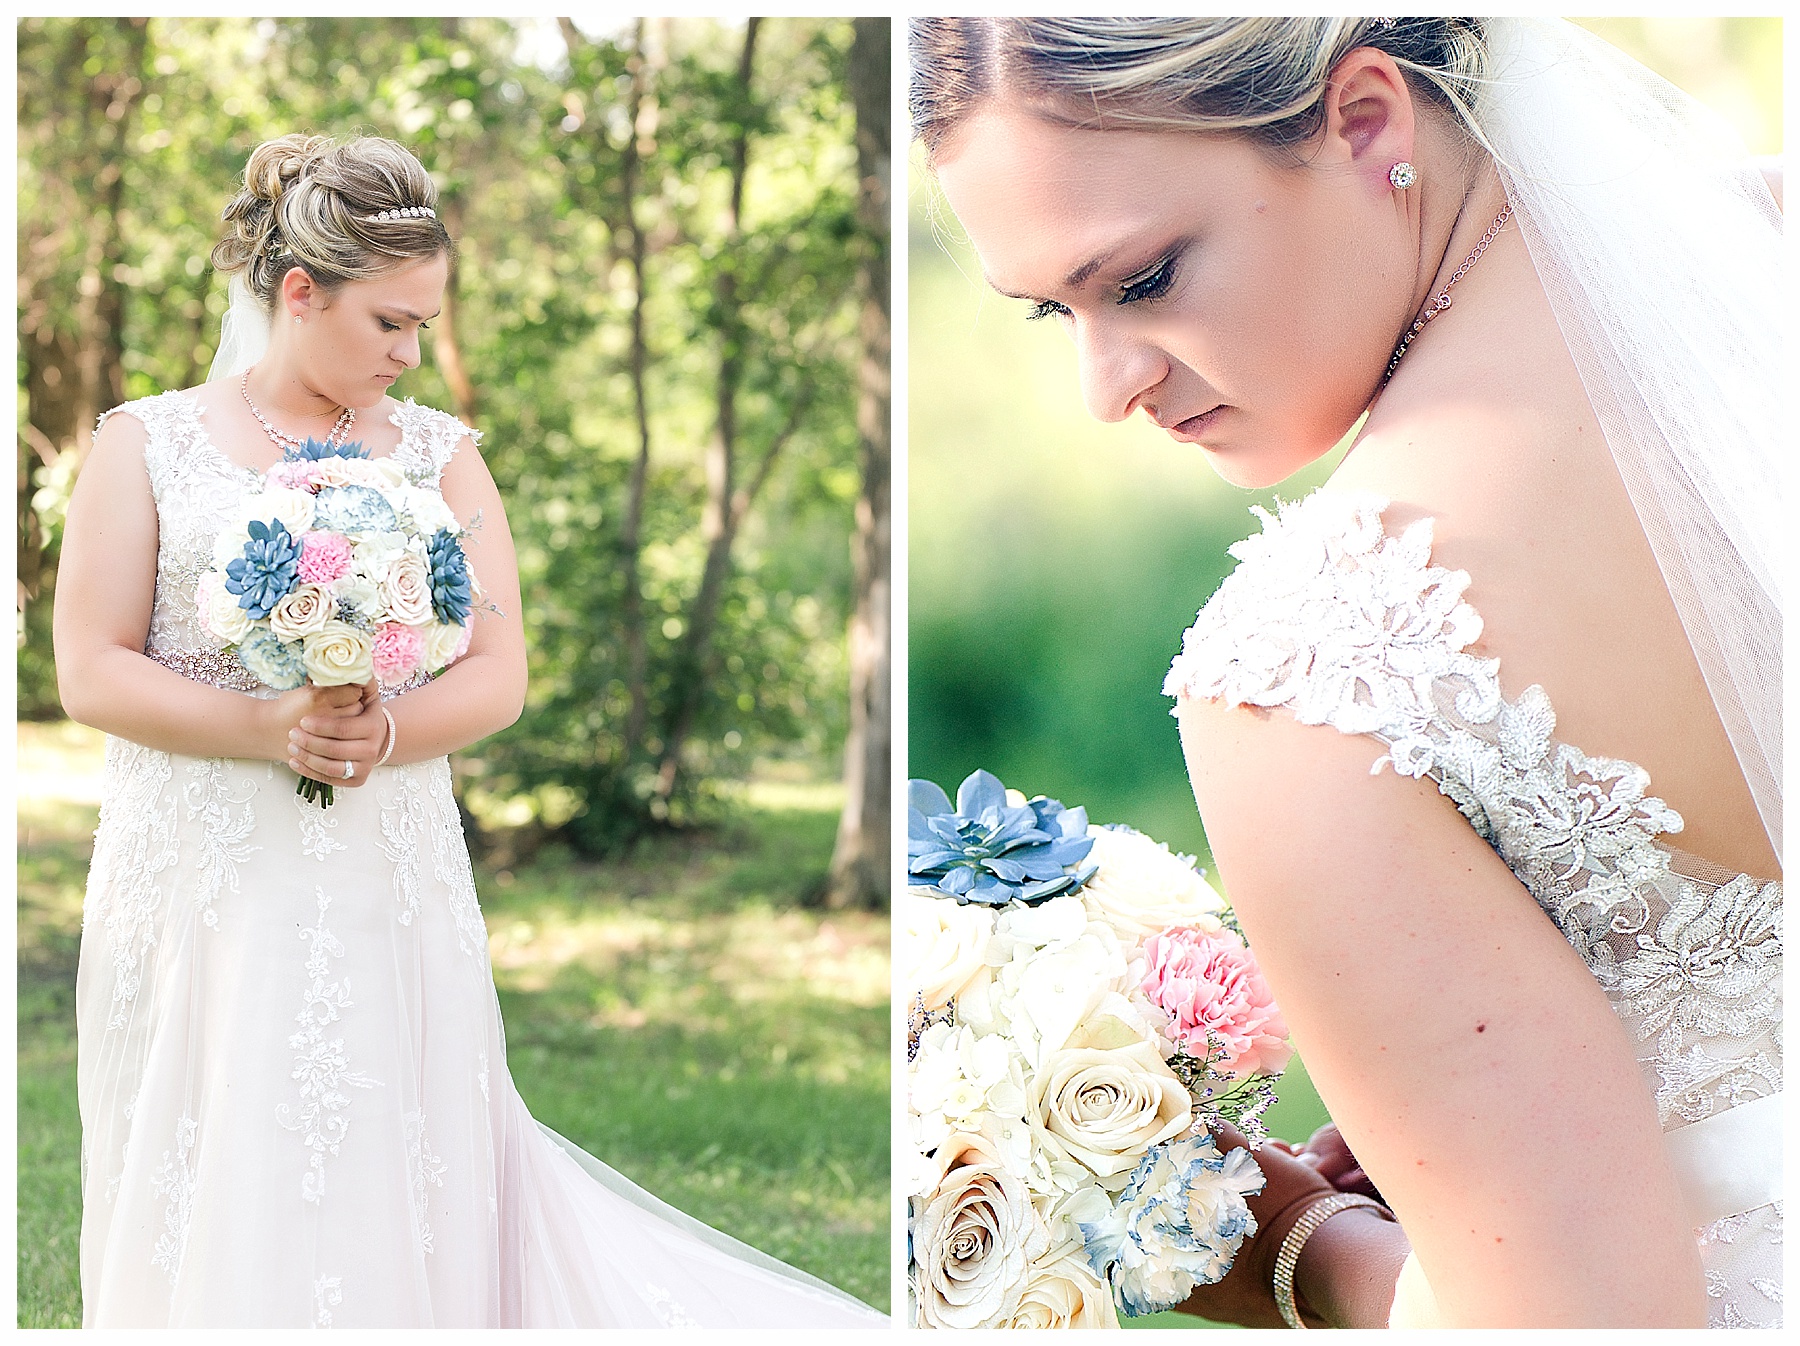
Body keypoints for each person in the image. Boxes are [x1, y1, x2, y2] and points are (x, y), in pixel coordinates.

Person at [911, 16, 1780, 1329]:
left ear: (1365, 117)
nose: (1105, 386)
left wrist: (1300, 1249)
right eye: (1054, 309)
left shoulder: (1308, 676)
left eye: (1142, 278)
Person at [55, 132, 885, 1329]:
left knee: (392, 1141)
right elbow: (89, 667)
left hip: (381, 864)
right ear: (300, 293)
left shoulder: (439, 456)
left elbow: (500, 668)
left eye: (423, 327)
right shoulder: (146, 442)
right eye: (391, 322)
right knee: (205, 1134)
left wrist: (383, 734)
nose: (411, 351)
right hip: (198, 870)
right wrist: (263, 725)